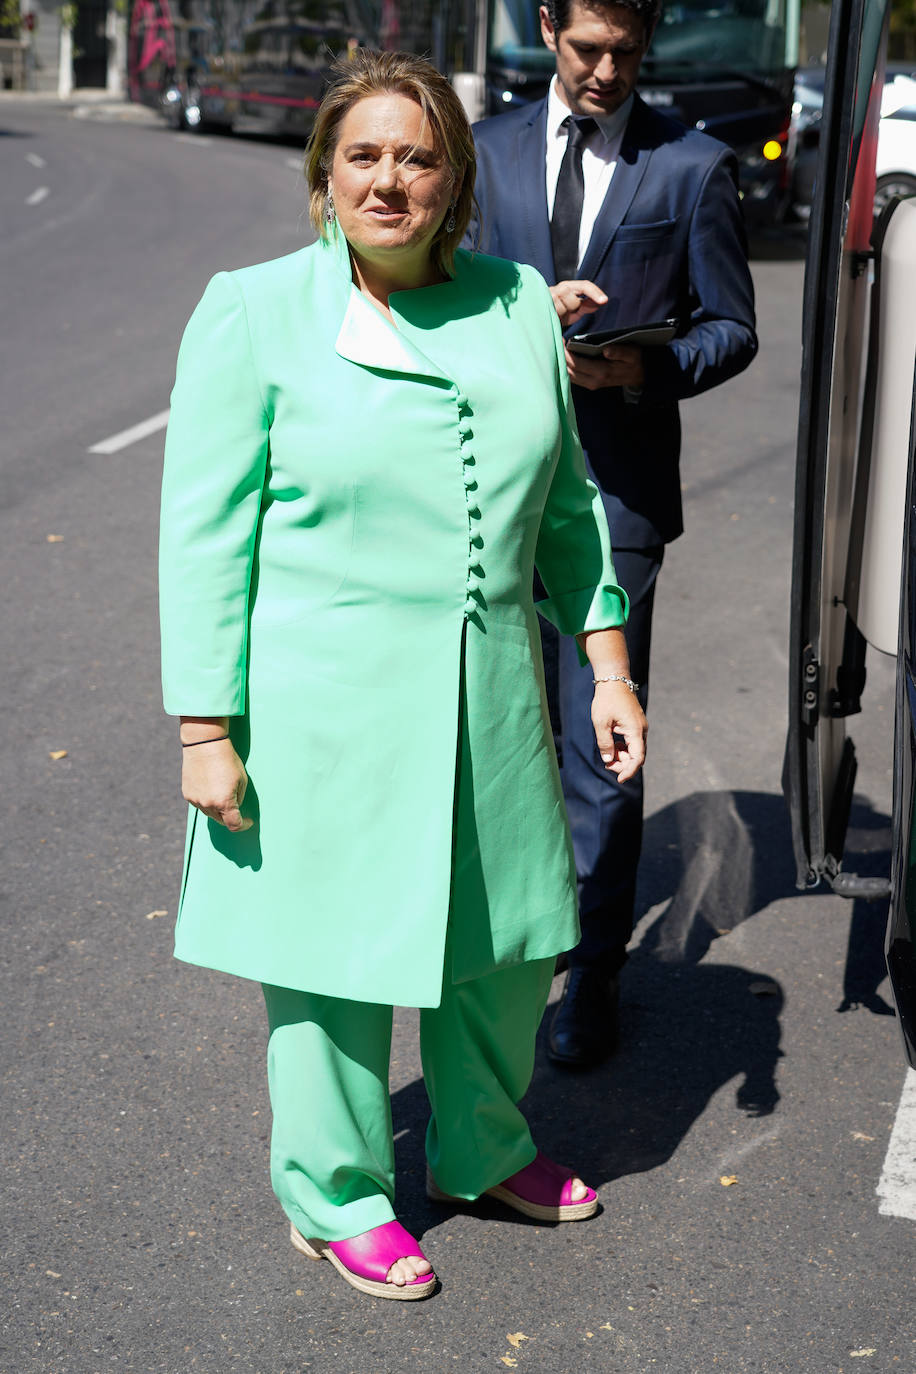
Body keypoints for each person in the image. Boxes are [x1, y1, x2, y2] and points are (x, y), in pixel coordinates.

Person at [159, 49, 647, 1302]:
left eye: (416, 157)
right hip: (323, 707)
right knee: (328, 964)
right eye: (363, 156)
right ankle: (335, 1194)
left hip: (487, 695)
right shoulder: (257, 309)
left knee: (504, 945)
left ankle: (482, 1151)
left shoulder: (511, 302)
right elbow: (203, 531)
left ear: (455, 182)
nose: (390, 180)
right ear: (325, 176)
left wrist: (603, 660)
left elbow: (567, 510)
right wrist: (203, 727)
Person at [469, 0, 758, 1068]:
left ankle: (591, 976)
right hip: (483, 492)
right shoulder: (484, 150)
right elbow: (423, 294)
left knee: (601, 746)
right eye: (588, 49)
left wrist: (651, 364)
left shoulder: (688, 165)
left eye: (627, 55)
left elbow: (732, 328)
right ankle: (510, 940)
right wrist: (517, 319)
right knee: (499, 735)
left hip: (618, 495)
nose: (605, 72)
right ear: (546, 25)